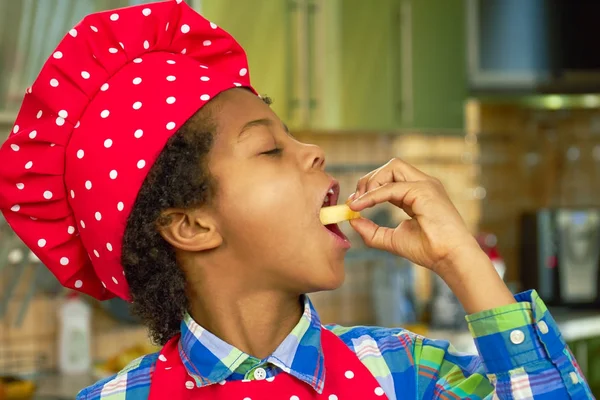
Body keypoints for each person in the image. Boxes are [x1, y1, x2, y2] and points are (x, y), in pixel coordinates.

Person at [0, 1, 593, 399]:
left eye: (293, 136)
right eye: (268, 149)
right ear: (190, 225)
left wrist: (463, 261)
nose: (311, 151)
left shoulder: (407, 371)